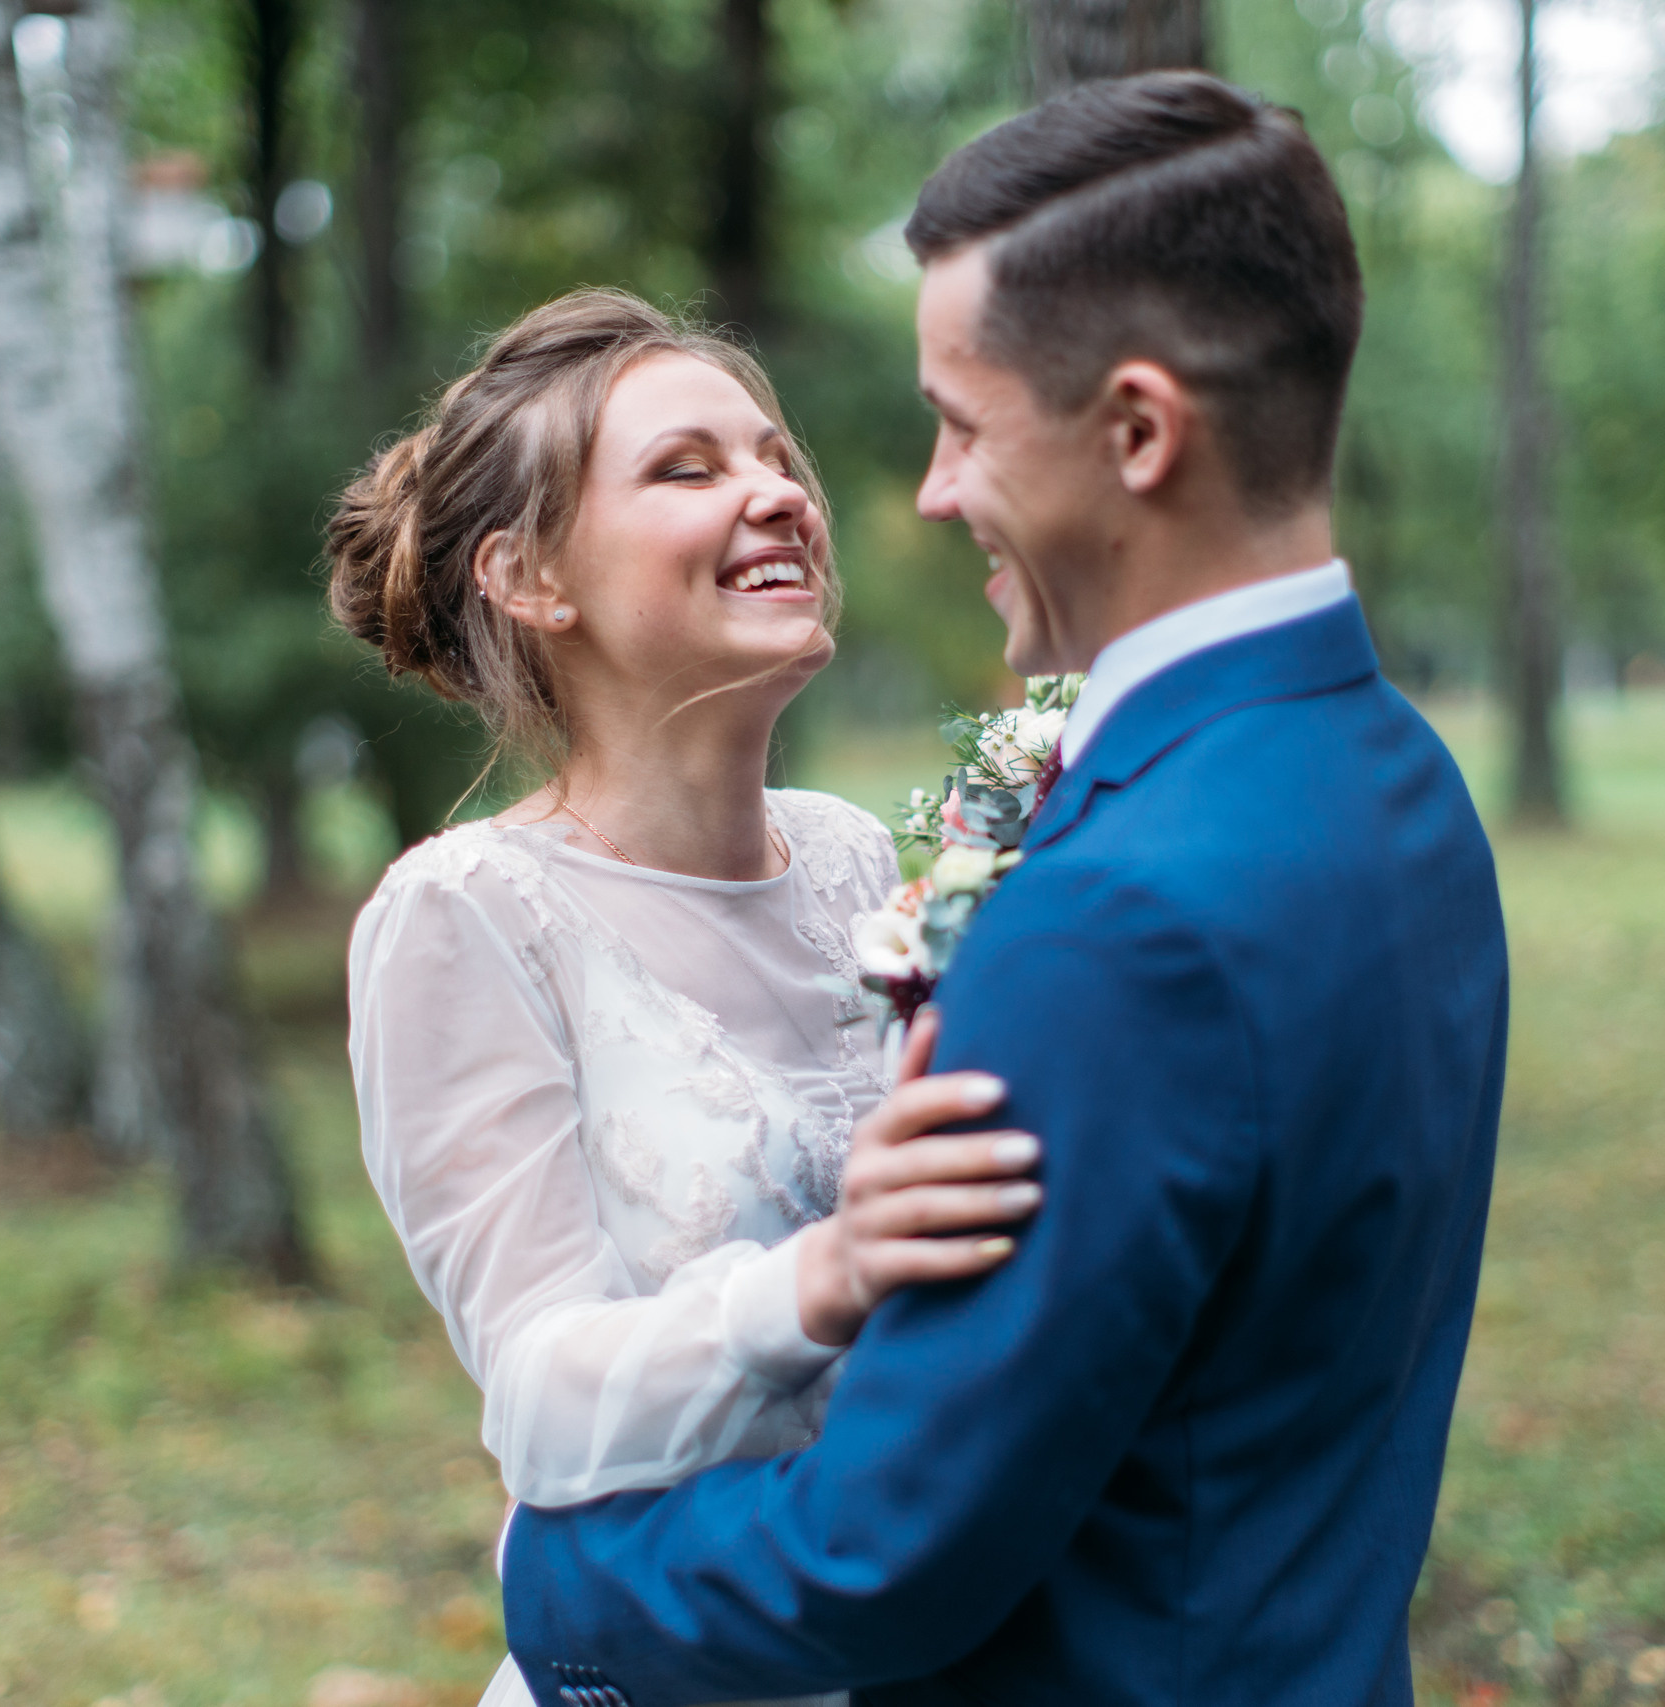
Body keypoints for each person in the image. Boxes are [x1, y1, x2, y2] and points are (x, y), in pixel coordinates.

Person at [496, 72, 1510, 1707]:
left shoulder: (1114, 923)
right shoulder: (1396, 775)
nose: (930, 488)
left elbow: (881, 1551)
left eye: (963, 425)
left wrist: (552, 1585)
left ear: (1137, 433)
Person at [327, 289, 1048, 1707]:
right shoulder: (467, 912)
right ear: (530, 577)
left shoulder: (850, 854)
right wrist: (823, 1280)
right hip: (675, 1659)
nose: (780, 495)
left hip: (912, 1641)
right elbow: (537, 1400)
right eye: (689, 468)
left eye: (775, 456)